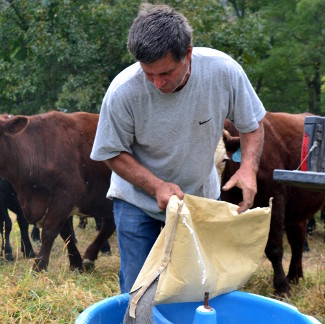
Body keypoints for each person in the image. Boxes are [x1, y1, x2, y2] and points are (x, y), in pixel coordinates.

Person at [91, 3, 265, 294]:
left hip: (198, 201)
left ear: (189, 53)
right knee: (139, 289)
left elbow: (253, 124)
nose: (158, 83)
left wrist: (248, 167)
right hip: (138, 202)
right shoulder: (123, 91)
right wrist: (155, 186)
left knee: (198, 286)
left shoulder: (223, 72)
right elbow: (110, 151)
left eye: (166, 73)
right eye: (149, 74)